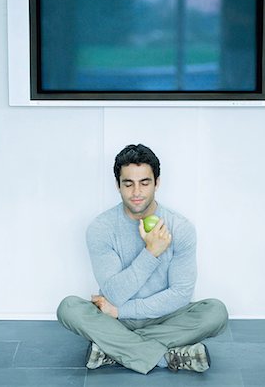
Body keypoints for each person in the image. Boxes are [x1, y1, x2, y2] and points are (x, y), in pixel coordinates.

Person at [57, 143, 228, 375]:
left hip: (161, 316)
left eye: (144, 183)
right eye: (128, 183)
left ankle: (115, 348)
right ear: (118, 185)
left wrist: (120, 311)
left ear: (157, 183)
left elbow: (180, 294)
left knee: (216, 312)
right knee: (69, 308)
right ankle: (167, 357)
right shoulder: (101, 228)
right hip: (116, 319)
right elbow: (114, 294)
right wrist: (151, 253)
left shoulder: (180, 227)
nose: (136, 192)